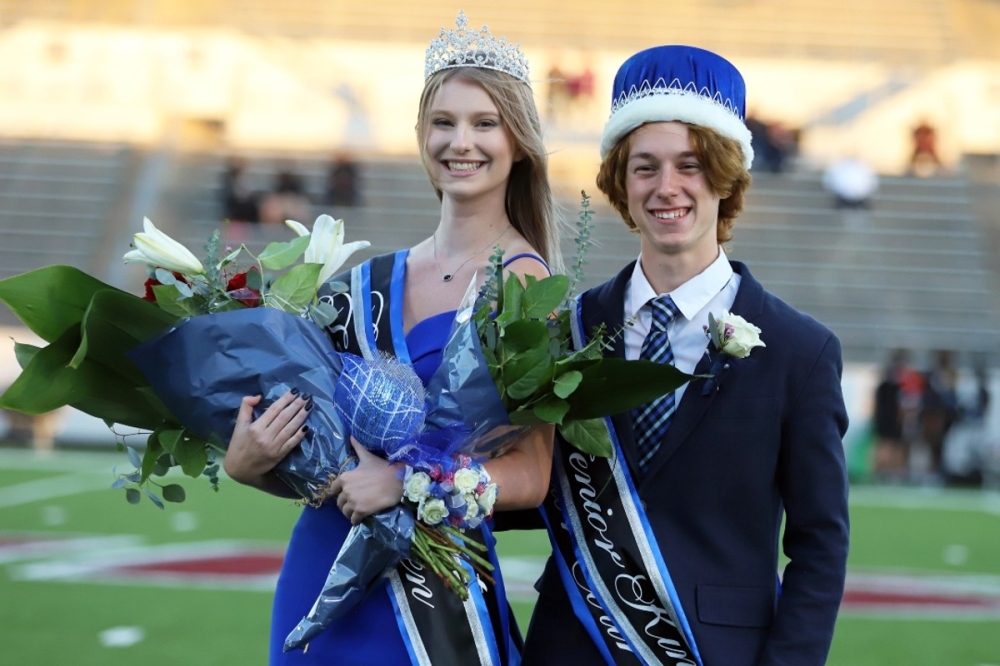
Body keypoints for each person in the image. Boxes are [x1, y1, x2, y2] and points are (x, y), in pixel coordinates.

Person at [222, 12, 558, 666]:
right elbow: (325, 467)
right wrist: (249, 464)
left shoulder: (527, 287)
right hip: (320, 572)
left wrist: (406, 484)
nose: (461, 142)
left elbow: (533, 475)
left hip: (433, 600)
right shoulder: (367, 281)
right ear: (421, 135)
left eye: (484, 123)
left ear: (518, 141)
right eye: (444, 122)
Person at [520, 45, 850, 666]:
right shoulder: (566, 329)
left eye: (690, 164)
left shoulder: (800, 353)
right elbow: (533, 489)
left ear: (725, 175)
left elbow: (820, 544)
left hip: (715, 653)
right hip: (572, 644)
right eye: (644, 167)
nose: (666, 188)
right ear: (620, 181)